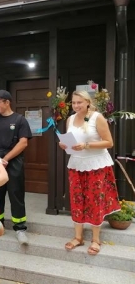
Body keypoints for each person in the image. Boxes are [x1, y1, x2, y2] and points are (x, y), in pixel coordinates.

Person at [59, 90, 121, 255]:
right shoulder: (70, 119)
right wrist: (64, 144)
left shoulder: (97, 117)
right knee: (76, 199)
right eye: (73, 103)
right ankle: (78, 237)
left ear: (87, 102)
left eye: (79, 102)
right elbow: (71, 141)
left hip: (96, 165)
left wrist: (86, 145)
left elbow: (109, 143)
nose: (76, 106)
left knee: (94, 200)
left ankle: (95, 239)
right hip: (76, 164)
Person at [0, 90, 32, 245]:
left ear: (7, 102)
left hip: (14, 162)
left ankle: (20, 228)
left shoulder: (20, 120)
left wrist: (5, 158)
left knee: (16, 193)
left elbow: (23, 142)